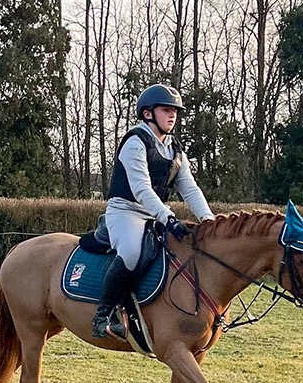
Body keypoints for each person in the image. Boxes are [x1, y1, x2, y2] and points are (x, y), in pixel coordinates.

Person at [91, 84, 215, 340]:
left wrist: (209, 220)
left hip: (153, 215)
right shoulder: (135, 142)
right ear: (148, 113)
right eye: (166, 110)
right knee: (131, 252)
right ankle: (104, 314)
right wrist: (168, 217)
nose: (173, 116)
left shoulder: (175, 150)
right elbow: (141, 189)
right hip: (125, 211)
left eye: (175, 112)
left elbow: (189, 188)